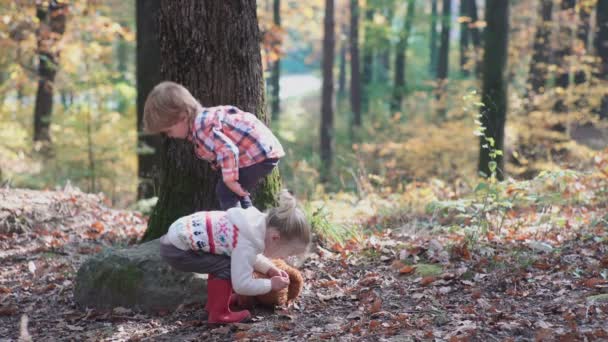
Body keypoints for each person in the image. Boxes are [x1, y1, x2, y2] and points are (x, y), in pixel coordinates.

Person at [159, 191, 311, 324]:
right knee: (228, 266)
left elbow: (249, 256)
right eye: (288, 253)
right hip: (180, 251)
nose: (286, 258)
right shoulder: (247, 242)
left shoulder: (254, 223)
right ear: (275, 238)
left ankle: (215, 305)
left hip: (175, 239)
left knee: (225, 262)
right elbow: (241, 284)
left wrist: (270, 269)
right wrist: (271, 285)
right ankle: (219, 314)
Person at [143, 81, 285, 209]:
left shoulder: (201, 127)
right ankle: (248, 217)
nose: (169, 135)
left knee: (225, 191)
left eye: (168, 130)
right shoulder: (205, 119)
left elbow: (228, 150)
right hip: (261, 150)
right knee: (235, 189)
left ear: (183, 116)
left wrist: (230, 180)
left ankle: (237, 227)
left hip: (256, 154)